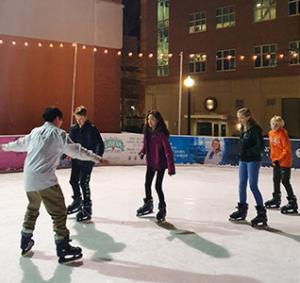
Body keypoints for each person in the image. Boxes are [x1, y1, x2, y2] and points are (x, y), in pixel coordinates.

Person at [0, 107, 102, 263]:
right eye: (61, 120)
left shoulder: (35, 132)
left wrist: (5, 147)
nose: (61, 123)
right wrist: (96, 158)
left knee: (33, 207)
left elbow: (20, 143)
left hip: (29, 178)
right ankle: (63, 246)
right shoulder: (58, 133)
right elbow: (76, 150)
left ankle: (25, 239)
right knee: (59, 212)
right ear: (57, 119)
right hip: (45, 179)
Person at [229, 108, 267, 227]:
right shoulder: (243, 129)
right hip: (243, 160)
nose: (239, 120)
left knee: (253, 185)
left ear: (248, 117)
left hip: (253, 160)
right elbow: (242, 143)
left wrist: (248, 152)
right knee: (241, 184)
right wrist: (241, 152)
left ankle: (261, 213)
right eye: (238, 117)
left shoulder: (255, 130)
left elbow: (260, 147)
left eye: (241, 117)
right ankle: (242, 209)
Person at [66, 105, 104, 222]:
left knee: (84, 182)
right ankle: (77, 200)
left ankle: (87, 207)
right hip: (76, 159)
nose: (79, 120)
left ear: (85, 117)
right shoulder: (73, 128)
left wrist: (97, 157)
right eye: (77, 117)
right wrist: (66, 153)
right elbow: (69, 143)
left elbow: (100, 144)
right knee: (73, 181)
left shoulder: (92, 128)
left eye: (81, 117)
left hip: (88, 160)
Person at [136, 110, 175, 223]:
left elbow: (168, 151)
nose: (149, 121)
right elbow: (146, 145)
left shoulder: (161, 134)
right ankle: (148, 204)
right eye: (148, 119)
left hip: (161, 163)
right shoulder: (147, 132)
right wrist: (143, 151)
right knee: (147, 184)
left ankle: (162, 208)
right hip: (151, 162)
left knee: (158, 186)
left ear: (157, 120)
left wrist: (171, 167)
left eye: (152, 119)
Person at [265, 115, 298, 214]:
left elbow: (286, 149)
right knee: (276, 180)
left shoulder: (283, 134)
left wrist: (279, 159)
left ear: (281, 125)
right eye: (273, 123)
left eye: (277, 124)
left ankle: (292, 202)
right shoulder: (270, 133)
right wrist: (273, 159)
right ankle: (276, 198)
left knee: (285, 181)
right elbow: (273, 148)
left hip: (284, 161)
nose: (274, 125)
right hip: (276, 161)